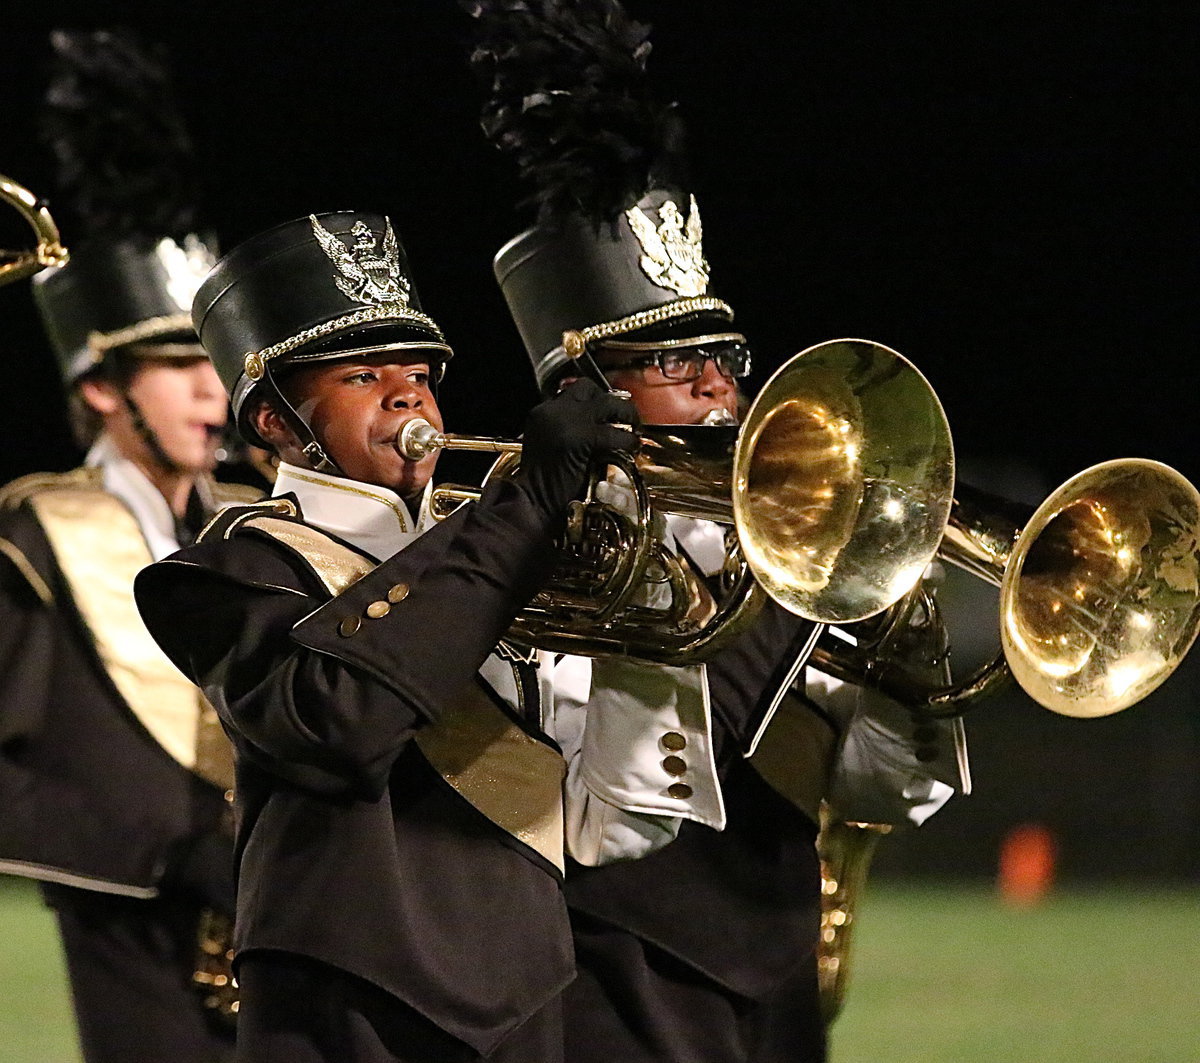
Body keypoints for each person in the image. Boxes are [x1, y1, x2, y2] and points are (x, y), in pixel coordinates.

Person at [470, 2, 968, 1059]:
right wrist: (737, 616)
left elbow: (881, 790)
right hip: (603, 983)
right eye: (670, 363)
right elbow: (610, 824)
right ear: (581, 388)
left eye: (725, 357)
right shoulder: (517, 558)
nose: (716, 388)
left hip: (776, 984)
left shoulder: (787, 556)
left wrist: (904, 663)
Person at [133, 210, 734, 1063]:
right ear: (273, 421)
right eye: (362, 374)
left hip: (527, 991)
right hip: (344, 1002)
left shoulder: (497, 547)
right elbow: (337, 720)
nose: (408, 393)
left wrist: (651, 616)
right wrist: (522, 510)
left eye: (419, 372)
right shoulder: (226, 569)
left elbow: (610, 826)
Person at [0, 29, 252, 1063]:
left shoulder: (248, 522)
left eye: (217, 362)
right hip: (131, 935)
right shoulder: (33, 534)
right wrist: (169, 853)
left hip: (270, 930)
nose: (213, 389)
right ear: (103, 388)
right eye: (179, 365)